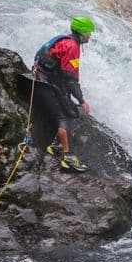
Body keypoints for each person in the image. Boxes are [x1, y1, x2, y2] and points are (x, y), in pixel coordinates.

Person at [31, 16, 95, 172]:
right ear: (83, 32)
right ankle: (68, 157)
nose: (90, 35)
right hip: (45, 82)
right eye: (89, 32)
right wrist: (82, 100)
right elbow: (70, 78)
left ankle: (56, 145)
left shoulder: (64, 39)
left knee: (70, 108)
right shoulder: (72, 46)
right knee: (65, 116)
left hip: (43, 77)